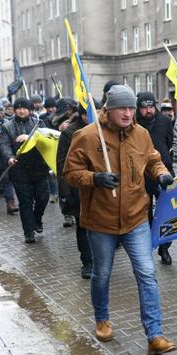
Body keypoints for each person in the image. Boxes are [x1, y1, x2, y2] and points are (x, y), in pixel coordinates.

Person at [63, 84, 177, 355]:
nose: (128, 113)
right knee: (102, 275)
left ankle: (155, 336)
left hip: (136, 218)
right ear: (108, 109)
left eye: (131, 108)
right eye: (121, 108)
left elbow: (153, 160)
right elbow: (69, 172)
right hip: (100, 221)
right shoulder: (88, 136)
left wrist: (161, 173)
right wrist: (94, 179)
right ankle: (102, 319)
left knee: (147, 274)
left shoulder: (142, 134)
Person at [0, 97, 50, 244]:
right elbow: (4, 144)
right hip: (19, 170)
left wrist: (31, 137)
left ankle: (37, 218)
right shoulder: (7, 126)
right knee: (25, 202)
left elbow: (47, 140)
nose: (22, 111)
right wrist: (9, 157)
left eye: (24, 108)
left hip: (39, 169)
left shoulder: (38, 123)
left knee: (43, 198)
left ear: (30, 110)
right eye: (18, 108)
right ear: (14, 110)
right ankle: (28, 232)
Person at [57, 102, 96, 279]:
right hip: (79, 188)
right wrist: (65, 192)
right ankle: (87, 261)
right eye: (90, 113)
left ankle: (101, 259)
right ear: (82, 115)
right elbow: (63, 165)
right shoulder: (69, 133)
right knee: (83, 225)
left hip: (102, 188)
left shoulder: (105, 130)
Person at [135, 92, 175, 265]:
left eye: (151, 107)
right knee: (145, 213)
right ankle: (147, 246)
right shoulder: (133, 124)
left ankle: (164, 248)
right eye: (144, 107)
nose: (148, 110)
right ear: (138, 108)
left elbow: (169, 143)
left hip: (162, 173)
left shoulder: (165, 121)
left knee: (166, 211)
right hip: (140, 174)